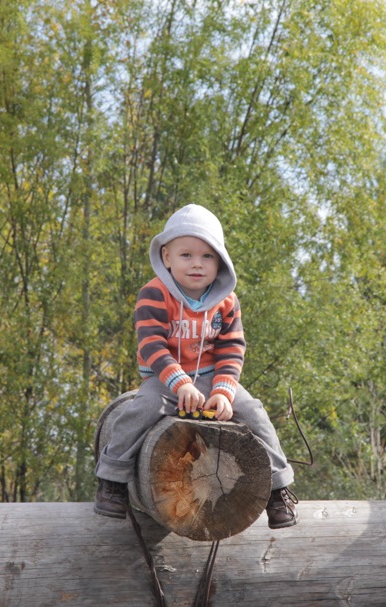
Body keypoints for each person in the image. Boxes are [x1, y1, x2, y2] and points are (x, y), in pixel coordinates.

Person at [94, 203, 298, 529]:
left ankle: (278, 488)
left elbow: (232, 348)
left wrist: (224, 392)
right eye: (186, 255)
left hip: (210, 377)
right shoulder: (154, 294)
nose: (197, 264)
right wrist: (180, 384)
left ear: (220, 262)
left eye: (207, 256)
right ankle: (112, 480)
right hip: (164, 379)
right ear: (167, 257)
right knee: (140, 410)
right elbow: (152, 345)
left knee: (255, 412)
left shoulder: (226, 301)